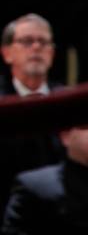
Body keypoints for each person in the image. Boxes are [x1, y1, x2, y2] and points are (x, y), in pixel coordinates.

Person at [0, 14, 63, 212]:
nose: (36, 47)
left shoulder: (71, 100)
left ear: (52, 54)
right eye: (27, 41)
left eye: (43, 42)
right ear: (7, 52)